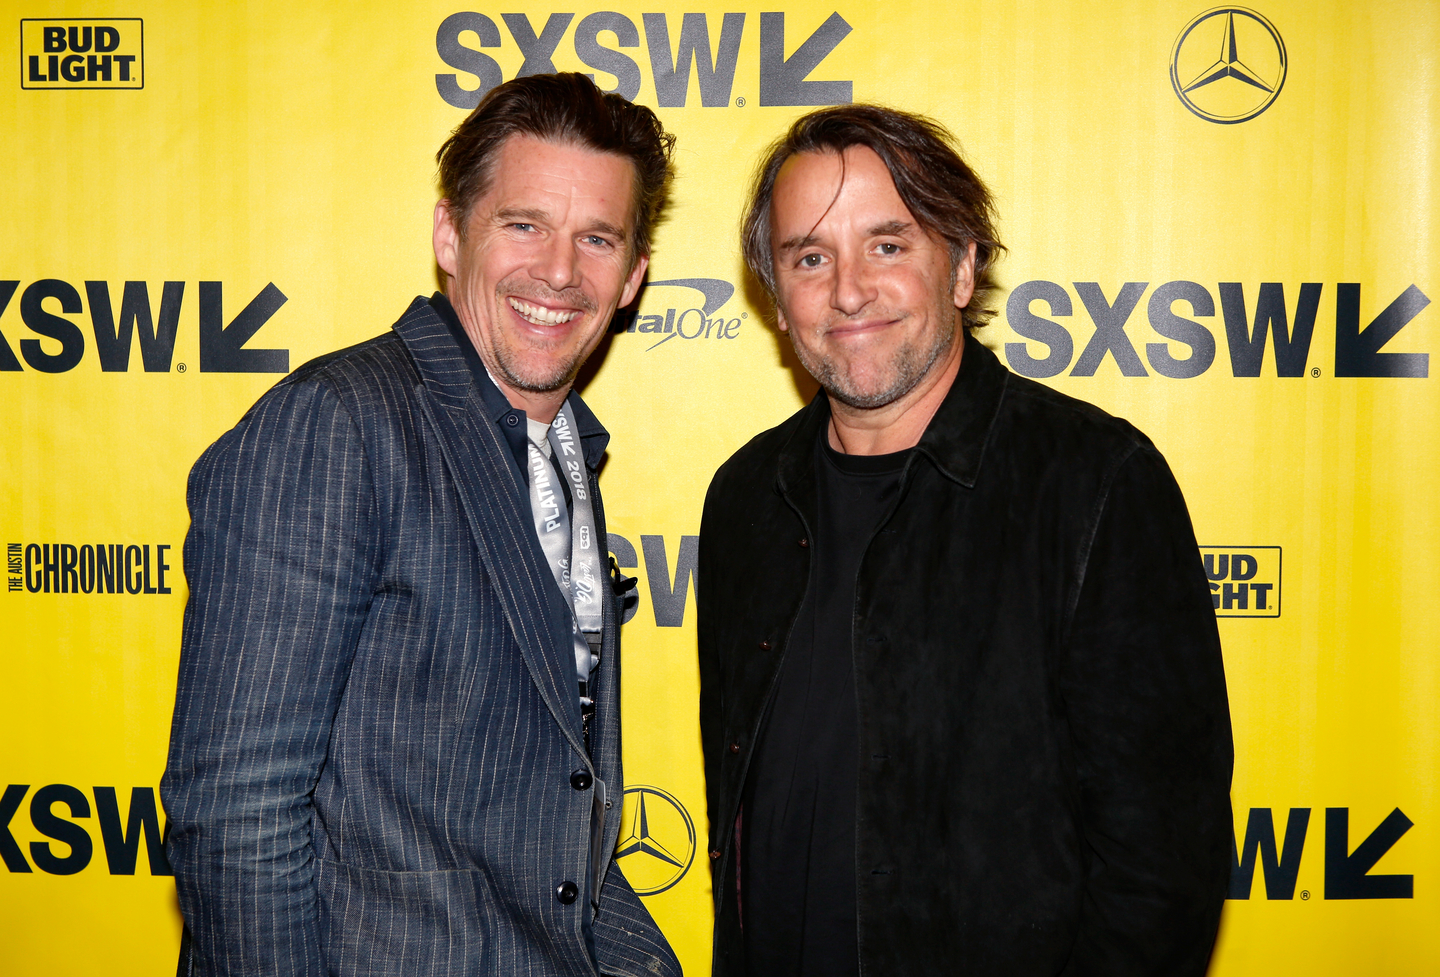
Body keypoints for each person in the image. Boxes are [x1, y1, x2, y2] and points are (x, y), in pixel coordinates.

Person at [162, 73, 680, 977]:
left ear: (633, 276)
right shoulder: (336, 424)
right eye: (523, 224)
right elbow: (237, 813)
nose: (559, 271)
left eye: (596, 238)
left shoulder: (557, 448)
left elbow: (554, 804)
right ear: (451, 235)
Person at [697, 105, 1233, 976]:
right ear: (776, 297)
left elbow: (1161, 870)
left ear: (962, 266)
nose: (848, 290)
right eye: (809, 256)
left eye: (888, 244)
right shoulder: (747, 498)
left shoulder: (1094, 483)